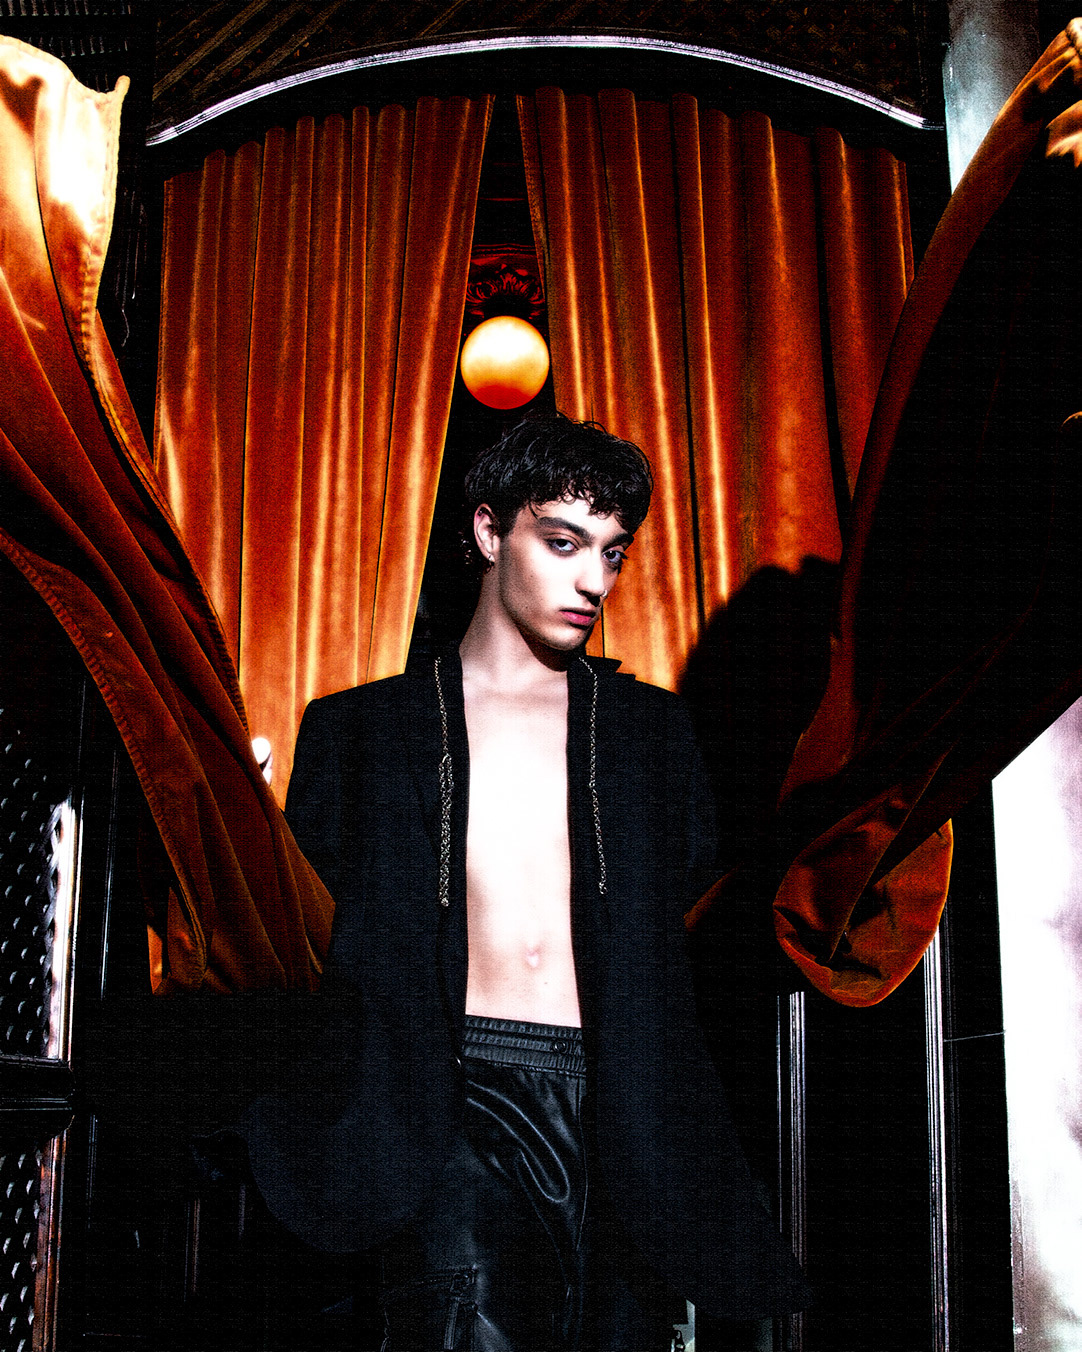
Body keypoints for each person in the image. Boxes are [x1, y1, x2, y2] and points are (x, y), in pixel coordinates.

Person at [244, 414, 807, 1350]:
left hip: (622, 1115)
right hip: (448, 1108)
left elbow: (700, 926)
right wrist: (237, 834)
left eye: (612, 552)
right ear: (488, 531)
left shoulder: (651, 734)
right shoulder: (364, 729)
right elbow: (302, 938)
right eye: (562, 543)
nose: (595, 581)